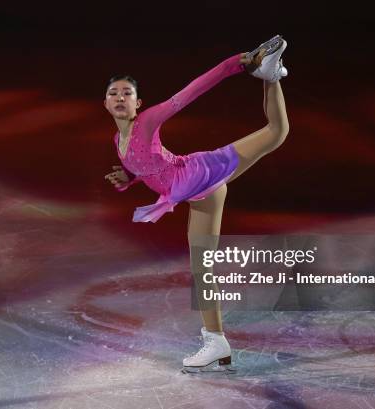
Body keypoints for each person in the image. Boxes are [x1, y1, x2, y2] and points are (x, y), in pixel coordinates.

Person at [103, 36, 290, 372]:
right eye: (113, 93)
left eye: (126, 93)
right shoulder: (118, 141)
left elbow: (192, 90)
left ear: (138, 103)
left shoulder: (146, 122)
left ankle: (268, 73)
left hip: (197, 174)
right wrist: (128, 178)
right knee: (202, 269)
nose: (120, 97)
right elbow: (142, 165)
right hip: (196, 192)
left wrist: (237, 62)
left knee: (276, 133)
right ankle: (216, 342)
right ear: (105, 103)